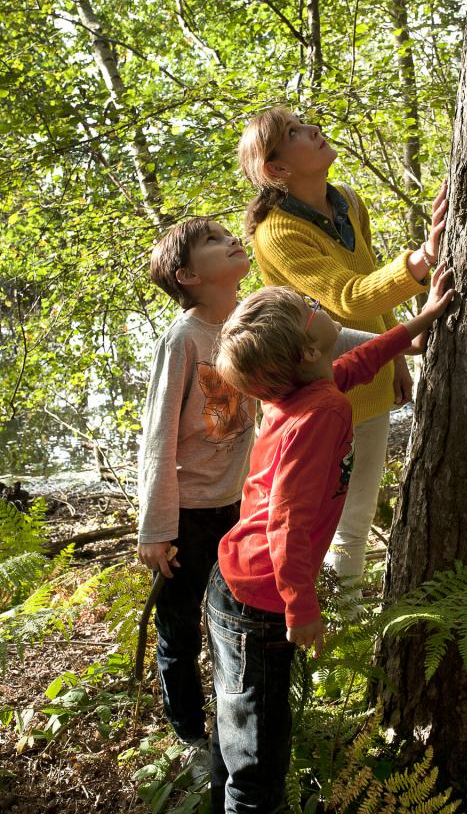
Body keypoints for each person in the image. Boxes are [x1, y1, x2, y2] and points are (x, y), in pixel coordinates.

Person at [207, 268, 454, 813]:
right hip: (261, 602)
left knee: (237, 723)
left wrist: (416, 327)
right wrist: (300, 607)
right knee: (259, 751)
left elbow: (354, 365)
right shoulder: (317, 414)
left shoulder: (307, 390)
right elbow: (287, 519)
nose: (315, 306)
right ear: (306, 349)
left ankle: (221, 798)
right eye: (307, 309)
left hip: (235, 585)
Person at [237, 106, 447, 582]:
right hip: (320, 395)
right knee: (325, 530)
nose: (312, 129)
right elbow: (347, 298)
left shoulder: (347, 200)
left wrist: (394, 356)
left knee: (355, 522)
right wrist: (424, 259)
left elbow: (369, 277)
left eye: (303, 122)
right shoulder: (278, 235)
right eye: (293, 132)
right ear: (277, 169)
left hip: (367, 380)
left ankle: (346, 631)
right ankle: (321, 633)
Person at [137, 216, 255, 760]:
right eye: (213, 240)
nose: (232, 238)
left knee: (238, 618)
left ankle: (240, 719)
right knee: (180, 627)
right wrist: (157, 529)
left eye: (227, 232)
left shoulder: (249, 320)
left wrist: (402, 338)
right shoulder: (184, 340)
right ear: (187, 275)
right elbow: (158, 439)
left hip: (240, 505)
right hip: (187, 513)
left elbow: (319, 341)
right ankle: (189, 734)